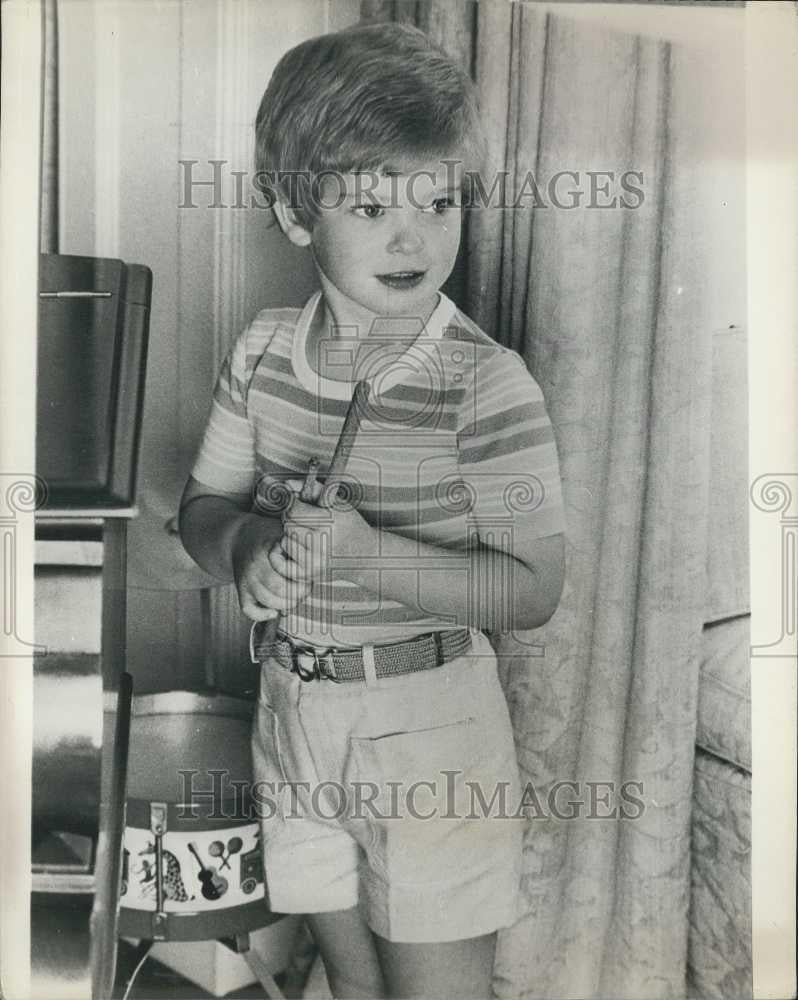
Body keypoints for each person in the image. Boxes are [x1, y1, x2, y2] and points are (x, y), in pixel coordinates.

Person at [179, 21, 566, 1000]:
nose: (414, 237)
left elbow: (532, 589)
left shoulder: (487, 382)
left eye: (439, 202)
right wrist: (249, 544)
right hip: (295, 715)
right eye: (370, 204)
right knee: (353, 990)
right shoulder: (264, 351)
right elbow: (203, 506)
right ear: (294, 212)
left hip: (429, 727)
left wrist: (362, 549)